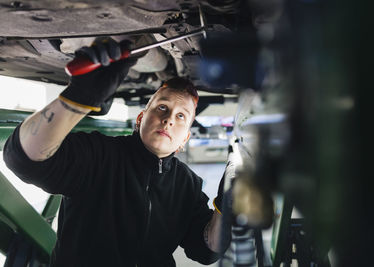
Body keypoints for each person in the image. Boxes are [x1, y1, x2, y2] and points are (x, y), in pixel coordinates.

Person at [3, 38, 227, 266]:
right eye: (162, 107)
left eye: (181, 116)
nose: (169, 119)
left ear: (185, 138)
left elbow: (206, 249)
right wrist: (78, 98)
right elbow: (24, 159)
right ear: (140, 118)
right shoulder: (99, 155)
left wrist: (227, 205)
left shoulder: (188, 184)